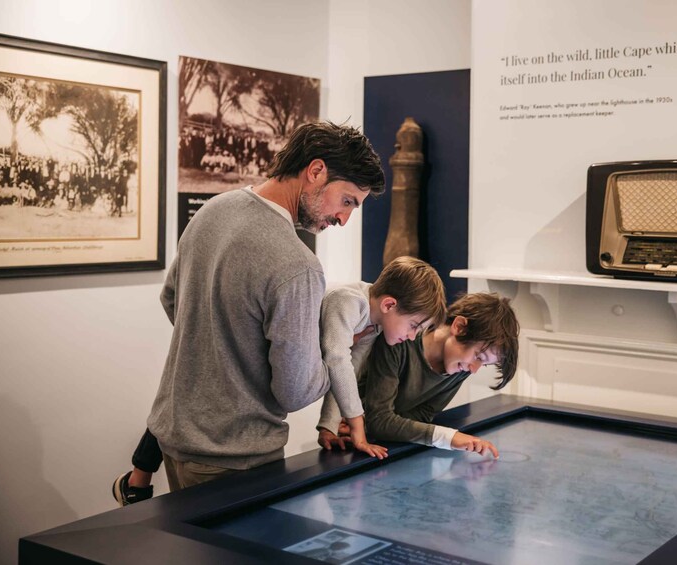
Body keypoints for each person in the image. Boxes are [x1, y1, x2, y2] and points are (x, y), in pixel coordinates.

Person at [112, 121, 385, 505]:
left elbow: (172, 299)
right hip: (235, 459)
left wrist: (225, 350)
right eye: (347, 201)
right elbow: (293, 391)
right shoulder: (298, 266)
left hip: (175, 442)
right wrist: (337, 348)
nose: (343, 219)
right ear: (316, 171)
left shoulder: (213, 209)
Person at [336, 292, 520, 458]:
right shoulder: (397, 342)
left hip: (378, 442)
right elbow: (380, 420)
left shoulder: (460, 368)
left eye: (484, 364)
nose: (474, 369)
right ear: (460, 327)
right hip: (345, 437)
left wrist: (380, 425)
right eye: (478, 356)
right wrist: (449, 437)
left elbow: (424, 414)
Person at [316, 256, 447, 456]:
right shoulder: (348, 300)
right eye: (413, 326)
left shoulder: (374, 324)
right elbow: (337, 361)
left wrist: (328, 427)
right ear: (388, 305)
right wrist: (358, 429)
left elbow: (349, 370)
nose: (412, 337)